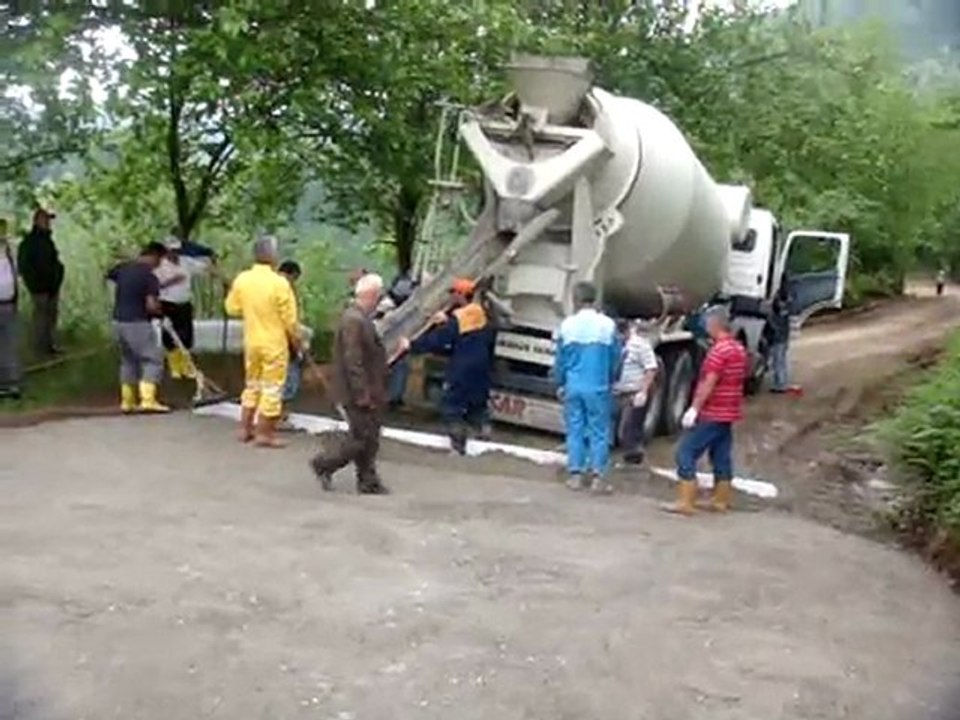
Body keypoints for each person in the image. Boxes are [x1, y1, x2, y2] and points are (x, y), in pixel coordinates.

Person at [310, 273, 390, 495]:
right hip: (356, 391)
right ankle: (325, 463)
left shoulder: (358, 318)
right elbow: (352, 360)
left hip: (366, 388)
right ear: (372, 295)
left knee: (370, 437)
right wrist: (362, 392)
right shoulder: (353, 321)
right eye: (378, 295)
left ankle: (368, 480)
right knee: (361, 438)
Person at [666, 305, 748, 516]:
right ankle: (721, 500)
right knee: (721, 455)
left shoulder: (718, 352)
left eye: (707, 323)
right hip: (729, 412)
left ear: (714, 324)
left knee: (686, 452)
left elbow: (708, 383)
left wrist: (694, 409)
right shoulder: (738, 349)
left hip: (712, 412)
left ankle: (686, 501)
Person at [398, 278, 495, 455]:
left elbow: (438, 341)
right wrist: (448, 319)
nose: (451, 297)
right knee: (477, 403)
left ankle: (458, 446)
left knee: (452, 405)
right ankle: (484, 431)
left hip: (462, 366)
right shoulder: (481, 314)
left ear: (461, 295)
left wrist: (411, 345)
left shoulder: (458, 320)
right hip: (482, 366)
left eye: (453, 293)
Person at [225, 236, 301, 448]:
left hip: (252, 341)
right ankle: (264, 433)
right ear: (272, 255)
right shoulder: (280, 283)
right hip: (274, 343)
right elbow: (290, 320)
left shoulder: (242, 279)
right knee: (272, 388)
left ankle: (245, 428)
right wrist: (297, 342)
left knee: (252, 385)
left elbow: (232, 308)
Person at [554, 281, 621, 494]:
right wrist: (612, 379)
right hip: (598, 386)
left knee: (574, 430)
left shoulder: (567, 325)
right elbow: (616, 357)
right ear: (595, 299)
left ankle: (575, 475)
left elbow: (560, 360)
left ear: (575, 299)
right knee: (599, 432)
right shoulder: (607, 325)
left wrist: (560, 383)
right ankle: (598, 478)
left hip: (573, 386)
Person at [105, 242, 169, 413]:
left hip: (118, 321)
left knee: (128, 361)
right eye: (160, 260)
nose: (159, 264)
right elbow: (151, 305)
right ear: (154, 256)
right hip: (137, 322)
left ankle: (127, 401)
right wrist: (160, 313)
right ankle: (148, 399)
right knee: (153, 358)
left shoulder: (123, 269)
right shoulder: (149, 277)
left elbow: (109, 273)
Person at [154, 231, 218, 379]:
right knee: (170, 337)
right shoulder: (160, 265)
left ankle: (186, 366)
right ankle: (175, 367)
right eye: (172, 250)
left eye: (177, 250)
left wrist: (216, 271)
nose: (175, 253)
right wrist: (172, 281)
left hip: (184, 302)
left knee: (187, 336)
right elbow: (154, 285)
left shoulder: (186, 261)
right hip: (167, 303)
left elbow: (205, 269)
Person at [17, 208, 64, 356]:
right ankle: (40, 350)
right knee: (40, 319)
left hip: (52, 287)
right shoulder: (30, 242)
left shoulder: (47, 240)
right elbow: (24, 266)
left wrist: (58, 275)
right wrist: (35, 285)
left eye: (49, 220)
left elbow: (54, 262)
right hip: (39, 289)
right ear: (37, 221)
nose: (48, 223)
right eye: (45, 220)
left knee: (51, 317)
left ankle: (49, 347)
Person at [614, 319, 658, 465]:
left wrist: (643, 391)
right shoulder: (614, 344)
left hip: (635, 392)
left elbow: (651, 368)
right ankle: (629, 456)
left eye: (621, 334)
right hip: (618, 391)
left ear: (627, 331)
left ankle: (634, 459)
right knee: (618, 428)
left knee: (628, 429)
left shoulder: (640, 345)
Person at [277, 260, 305, 427]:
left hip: (266, 339)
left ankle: (277, 415)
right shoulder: (284, 290)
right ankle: (278, 416)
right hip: (283, 340)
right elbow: (289, 321)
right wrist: (297, 343)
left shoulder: (268, 287)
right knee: (287, 380)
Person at [0, 218, 22, 400]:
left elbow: (14, 274)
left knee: (10, 344)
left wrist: (16, 297)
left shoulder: (8, 252)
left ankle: (11, 384)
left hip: (8, 303)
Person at [768, 281, 792, 393]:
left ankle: (780, 385)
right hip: (784, 338)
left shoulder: (777, 312)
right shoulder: (787, 308)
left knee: (778, 361)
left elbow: (773, 324)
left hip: (778, 339)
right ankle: (782, 383)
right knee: (782, 361)